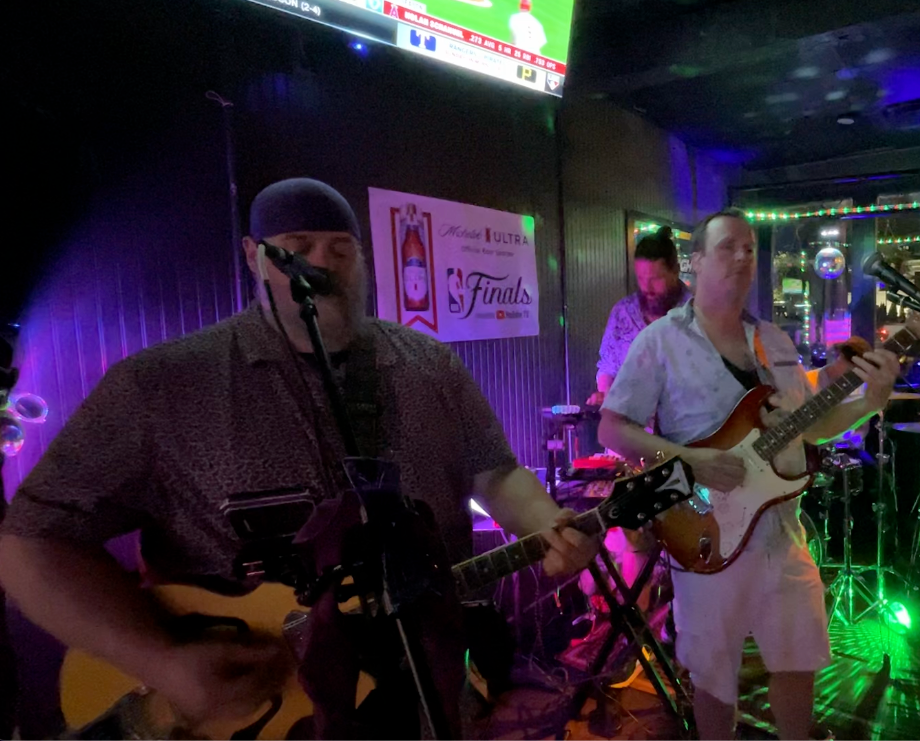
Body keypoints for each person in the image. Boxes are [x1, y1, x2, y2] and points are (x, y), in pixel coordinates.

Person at [0, 178, 598, 734]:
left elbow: (495, 469)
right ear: (252, 255)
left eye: (341, 248)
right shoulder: (163, 386)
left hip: (426, 688)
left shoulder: (428, 366)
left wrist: (548, 524)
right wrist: (159, 660)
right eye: (297, 246)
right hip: (258, 710)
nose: (321, 263)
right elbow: (30, 539)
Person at [597, 209, 900, 740]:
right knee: (714, 676)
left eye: (750, 248)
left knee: (798, 661)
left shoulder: (774, 342)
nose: (742, 256)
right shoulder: (660, 341)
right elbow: (612, 428)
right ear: (695, 262)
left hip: (782, 532)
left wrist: (869, 403)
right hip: (706, 529)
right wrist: (687, 457)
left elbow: (810, 427)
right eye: (728, 247)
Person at [589, 226, 691, 406]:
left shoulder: (698, 314)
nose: (647, 288)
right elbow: (607, 367)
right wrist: (607, 395)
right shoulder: (623, 312)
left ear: (675, 271)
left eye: (655, 279)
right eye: (641, 279)